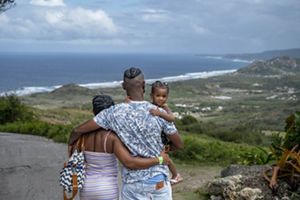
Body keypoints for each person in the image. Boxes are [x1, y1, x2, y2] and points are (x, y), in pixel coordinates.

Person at [69, 67, 184, 200]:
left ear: (123, 86)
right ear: (143, 85)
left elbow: (77, 130)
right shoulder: (159, 112)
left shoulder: (112, 113)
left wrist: (71, 149)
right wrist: (164, 151)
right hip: (158, 181)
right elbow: (179, 144)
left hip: (132, 185)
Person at [149, 81, 183, 185]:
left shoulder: (164, 107)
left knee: (164, 158)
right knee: (162, 158)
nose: (161, 98)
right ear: (151, 96)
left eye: (164, 96)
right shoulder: (150, 106)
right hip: (158, 141)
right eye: (158, 95)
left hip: (165, 142)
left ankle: (176, 175)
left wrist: (160, 113)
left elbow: (172, 118)